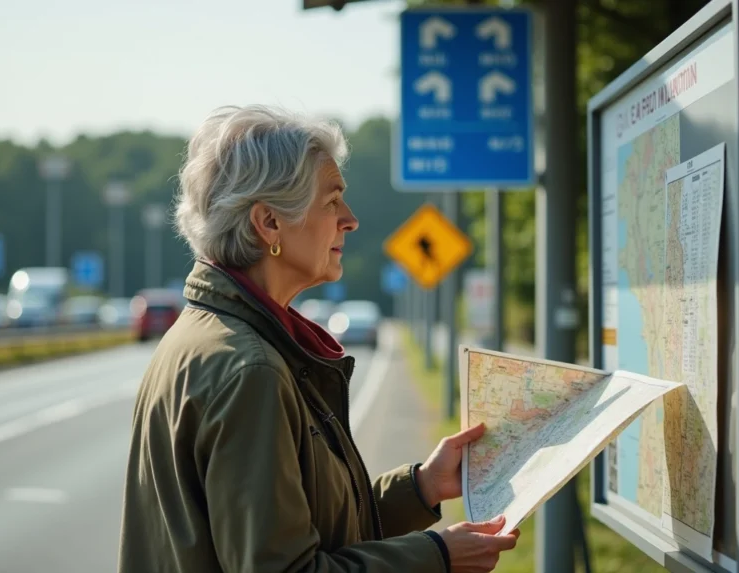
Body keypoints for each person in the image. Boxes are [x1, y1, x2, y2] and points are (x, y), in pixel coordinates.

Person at [117, 105, 520, 573]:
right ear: (269, 223)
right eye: (331, 202)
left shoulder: (208, 335)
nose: (349, 220)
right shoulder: (251, 370)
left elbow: (304, 529)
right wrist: (438, 556)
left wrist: (423, 486)